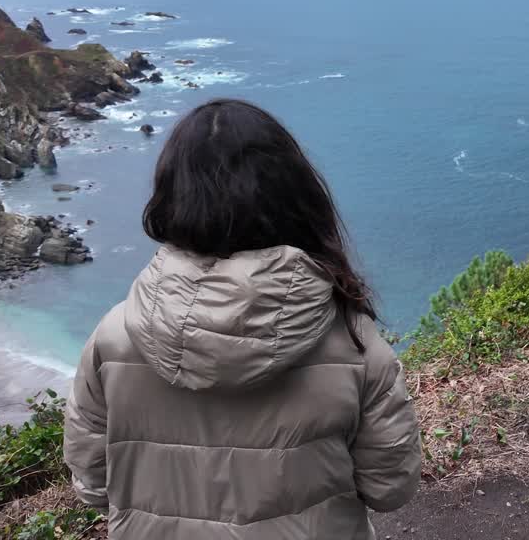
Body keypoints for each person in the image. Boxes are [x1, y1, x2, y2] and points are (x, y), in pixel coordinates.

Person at [64, 98, 421, 539]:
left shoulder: (114, 337)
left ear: (173, 198)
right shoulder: (352, 341)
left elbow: (93, 484)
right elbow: (390, 487)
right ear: (297, 197)